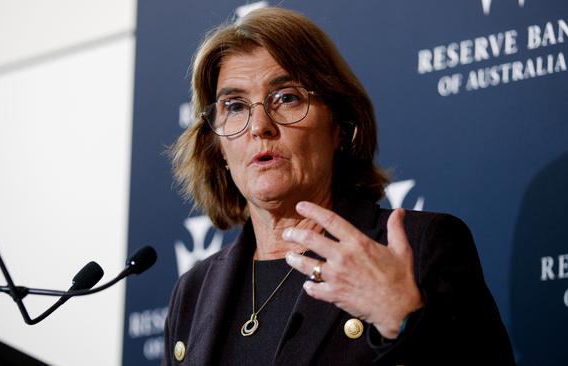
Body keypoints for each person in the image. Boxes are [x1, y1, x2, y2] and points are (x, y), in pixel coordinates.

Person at [163, 7, 514, 366]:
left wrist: (405, 319)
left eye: (286, 97)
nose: (259, 126)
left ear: (341, 127)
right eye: (235, 106)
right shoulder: (193, 291)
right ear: (217, 147)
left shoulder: (419, 247)